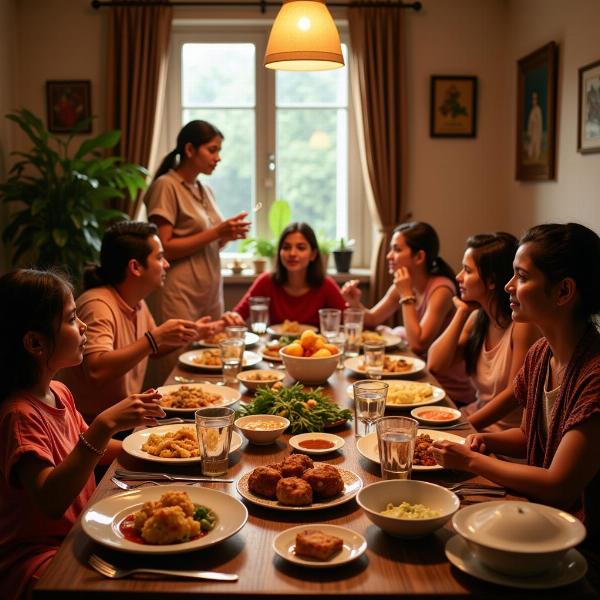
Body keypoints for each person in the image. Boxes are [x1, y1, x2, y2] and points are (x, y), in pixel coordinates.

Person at [431, 223, 600, 566]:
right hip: (540, 520)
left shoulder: (594, 375)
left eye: (521, 277)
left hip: (579, 548)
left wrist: (472, 460)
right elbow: (532, 435)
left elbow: (559, 483)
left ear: (564, 291)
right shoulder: (542, 355)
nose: (509, 286)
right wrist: (488, 442)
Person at [0, 269, 166, 600]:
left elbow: (92, 449)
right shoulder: (18, 415)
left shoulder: (59, 391)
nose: (84, 326)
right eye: (73, 319)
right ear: (35, 343)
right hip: (38, 560)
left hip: (82, 533)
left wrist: (158, 453)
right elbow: (50, 499)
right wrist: (104, 425)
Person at [60, 221, 215, 423]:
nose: (166, 264)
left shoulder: (136, 301)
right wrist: (155, 338)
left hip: (125, 419)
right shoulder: (97, 304)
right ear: (135, 267)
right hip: (93, 426)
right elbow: (97, 370)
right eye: (159, 257)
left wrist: (196, 333)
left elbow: (154, 348)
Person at [146, 120, 250, 381]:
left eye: (218, 151)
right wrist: (216, 232)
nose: (218, 157)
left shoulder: (205, 189)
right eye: (212, 150)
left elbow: (203, 241)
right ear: (190, 149)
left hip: (209, 291)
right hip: (179, 292)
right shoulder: (166, 186)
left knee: (211, 362)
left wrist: (225, 236)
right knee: (178, 370)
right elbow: (164, 248)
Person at [342, 222, 475, 404]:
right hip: (418, 379)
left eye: (396, 250)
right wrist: (355, 303)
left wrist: (406, 295)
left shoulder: (441, 289)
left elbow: (419, 344)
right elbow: (373, 319)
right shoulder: (404, 284)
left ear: (419, 256)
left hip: (444, 390)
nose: (389, 256)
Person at [428, 232, 539, 431]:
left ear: (491, 280)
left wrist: (462, 426)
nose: (458, 277)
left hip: (501, 432)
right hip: (474, 419)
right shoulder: (477, 318)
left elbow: (514, 393)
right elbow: (436, 365)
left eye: (467, 270)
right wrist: (461, 312)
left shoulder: (522, 325)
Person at [232, 222, 346, 327]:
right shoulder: (266, 281)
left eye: (301, 248)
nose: (292, 253)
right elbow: (237, 315)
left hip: (314, 349)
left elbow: (349, 320)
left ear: (313, 254)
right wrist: (230, 318)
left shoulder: (325, 285)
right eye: (286, 247)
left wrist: (356, 305)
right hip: (273, 348)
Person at [526, 90, 543, 161]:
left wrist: (539, 132)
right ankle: (531, 155)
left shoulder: (538, 110)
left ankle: (536, 156)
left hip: (536, 131)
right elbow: (530, 122)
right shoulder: (532, 111)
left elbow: (539, 122)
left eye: (535, 99)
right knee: (531, 143)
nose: (534, 101)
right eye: (533, 99)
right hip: (532, 131)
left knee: (536, 144)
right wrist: (529, 132)